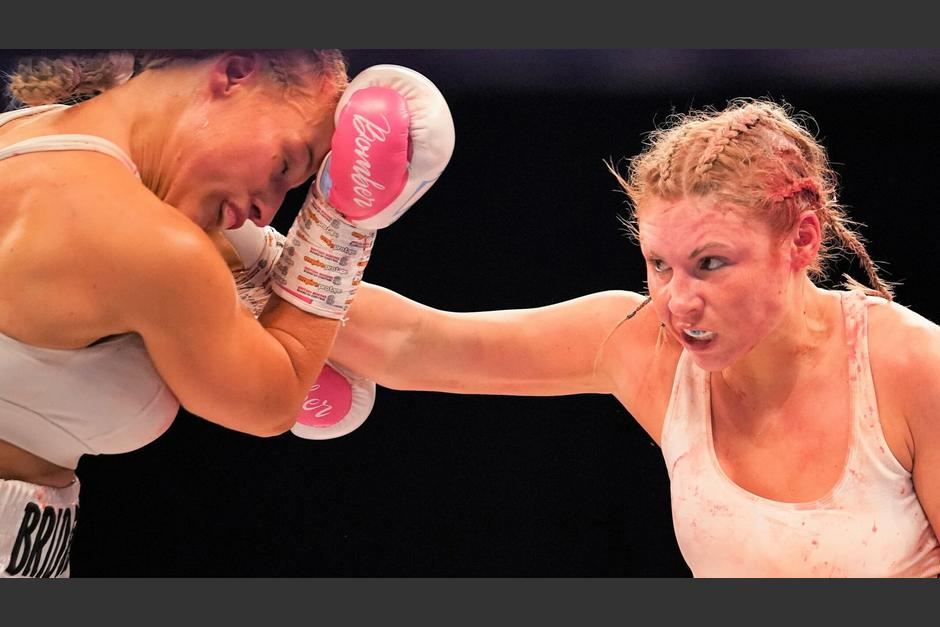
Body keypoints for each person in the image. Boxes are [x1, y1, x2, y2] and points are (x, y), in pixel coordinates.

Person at [314, 97, 937, 577]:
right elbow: (416, 344)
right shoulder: (644, 346)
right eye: (659, 264)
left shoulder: (909, 366)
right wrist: (245, 258)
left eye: (710, 264)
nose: (676, 299)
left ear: (801, 240)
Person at [0, 50, 455, 577]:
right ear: (235, 72)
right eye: (286, 166)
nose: (267, 209)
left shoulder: (25, 137)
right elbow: (275, 397)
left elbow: (411, 341)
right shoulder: (141, 237)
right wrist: (342, 222)